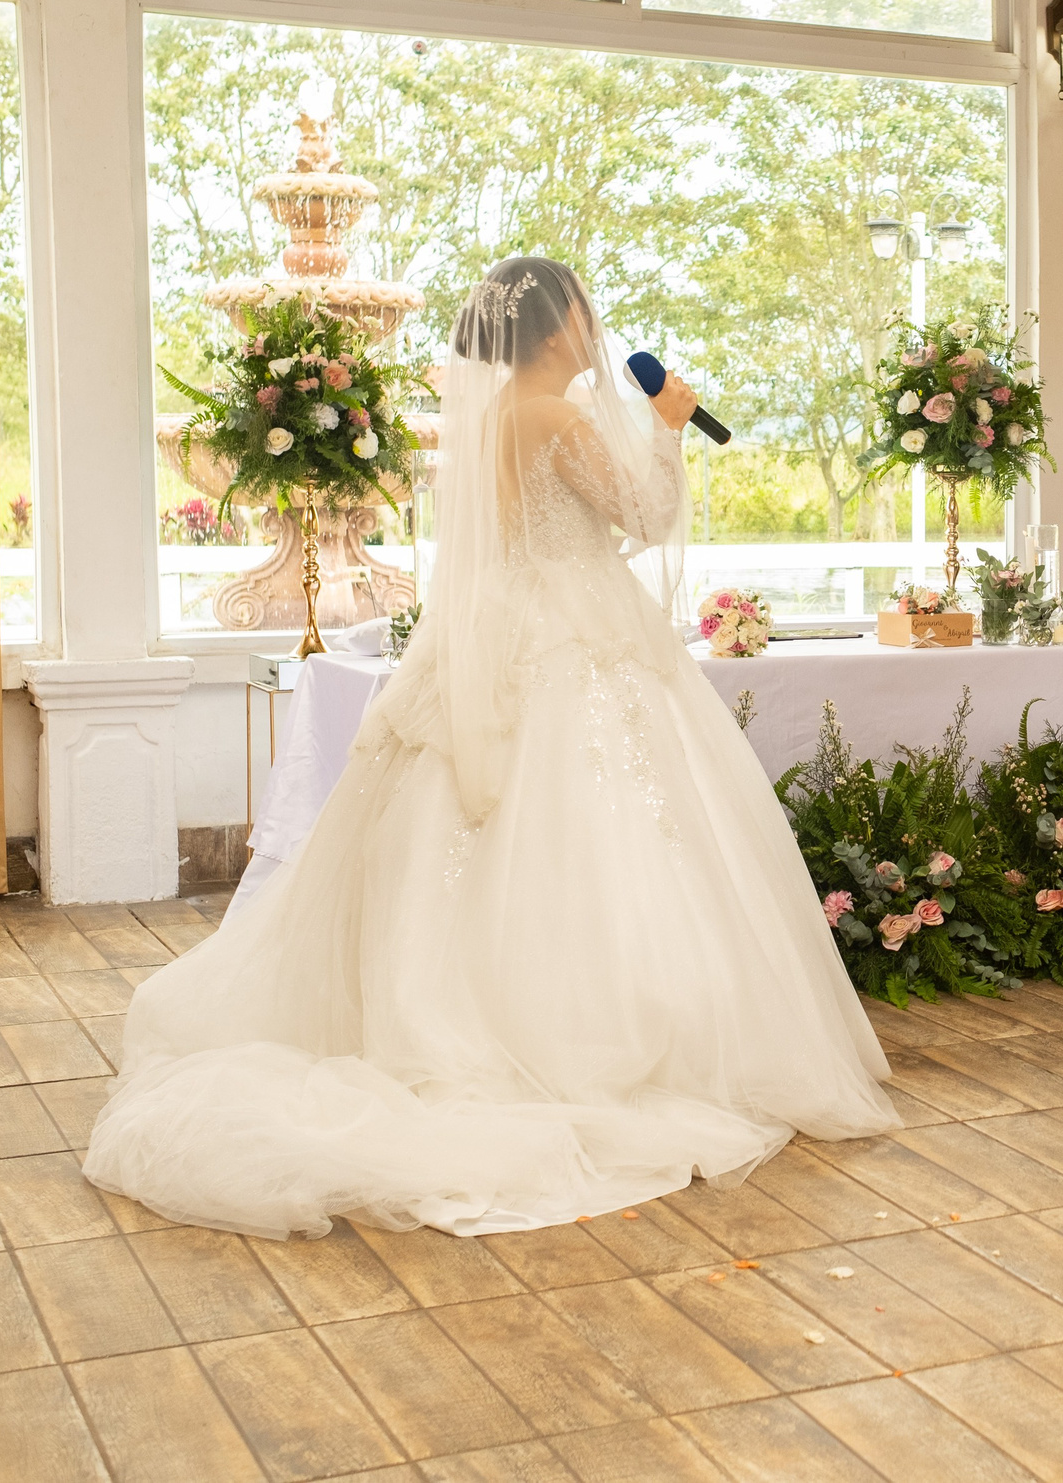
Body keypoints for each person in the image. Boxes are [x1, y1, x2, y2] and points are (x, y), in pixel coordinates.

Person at [84, 258, 898, 1239]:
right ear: (558, 330)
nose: (596, 327)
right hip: (573, 632)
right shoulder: (555, 415)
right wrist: (672, 429)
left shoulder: (488, 418)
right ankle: (591, 1039)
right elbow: (641, 518)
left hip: (499, 627)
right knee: (607, 825)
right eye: (584, 311)